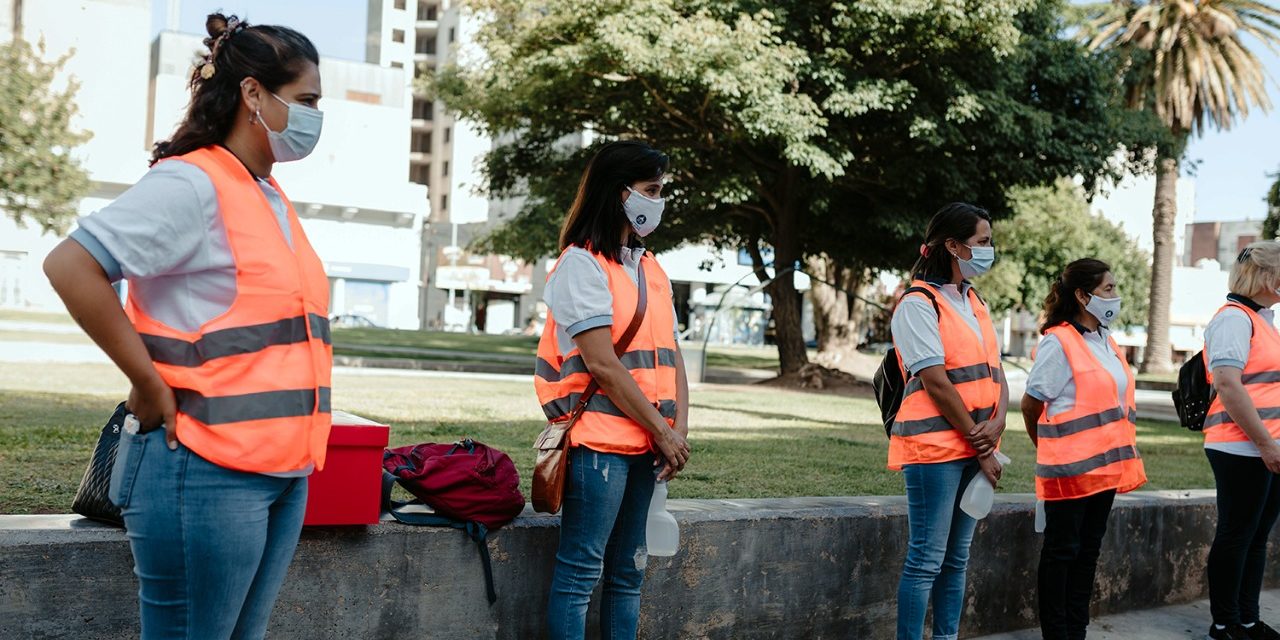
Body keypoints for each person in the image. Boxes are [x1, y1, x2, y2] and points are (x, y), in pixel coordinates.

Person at [43, 14, 329, 640]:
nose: (315, 117)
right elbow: (71, 264)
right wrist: (145, 381)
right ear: (253, 94)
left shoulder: (266, 194)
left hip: (281, 472)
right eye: (306, 100)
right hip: (201, 467)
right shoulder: (192, 182)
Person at [534, 140, 691, 640]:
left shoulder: (650, 267)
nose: (659, 200)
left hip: (648, 445)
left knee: (630, 572)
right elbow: (602, 363)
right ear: (618, 193)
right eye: (652, 189)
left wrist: (677, 431)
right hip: (600, 445)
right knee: (582, 571)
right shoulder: (581, 264)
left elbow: (672, 353)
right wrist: (662, 432)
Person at [888, 202, 1009, 640]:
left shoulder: (973, 300)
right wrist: (983, 445)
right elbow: (936, 381)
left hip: (974, 446)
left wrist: (998, 422)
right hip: (936, 450)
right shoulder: (918, 303)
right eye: (982, 242)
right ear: (953, 246)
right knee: (926, 560)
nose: (988, 250)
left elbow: (995, 371)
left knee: (956, 559)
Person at [1020, 259, 1146, 640]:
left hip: (1105, 470)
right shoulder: (1059, 341)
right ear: (1081, 295)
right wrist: (1048, 448)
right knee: (1062, 552)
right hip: (1070, 472)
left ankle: (1077, 629)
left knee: (1088, 551)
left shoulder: (1106, 341)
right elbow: (1031, 405)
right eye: (1108, 289)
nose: (1115, 295)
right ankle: (1057, 634)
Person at [1202, 242, 1280, 640]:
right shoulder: (1234, 319)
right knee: (1236, 535)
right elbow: (1229, 386)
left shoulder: (1263, 320)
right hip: (1240, 446)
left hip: (1266, 447)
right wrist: (1266, 444)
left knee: (1255, 536)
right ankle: (1224, 624)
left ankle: (1247, 619)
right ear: (1266, 276)